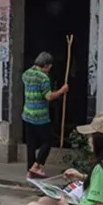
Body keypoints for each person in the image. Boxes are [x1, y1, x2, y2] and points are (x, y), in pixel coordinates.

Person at [22, 51, 69, 179]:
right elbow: (49, 96)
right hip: (40, 116)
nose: (49, 69)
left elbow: (30, 73)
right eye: (49, 66)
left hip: (27, 114)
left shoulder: (26, 74)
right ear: (46, 65)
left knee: (31, 144)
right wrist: (61, 91)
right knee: (48, 141)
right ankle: (36, 165)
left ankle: (30, 172)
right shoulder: (43, 78)